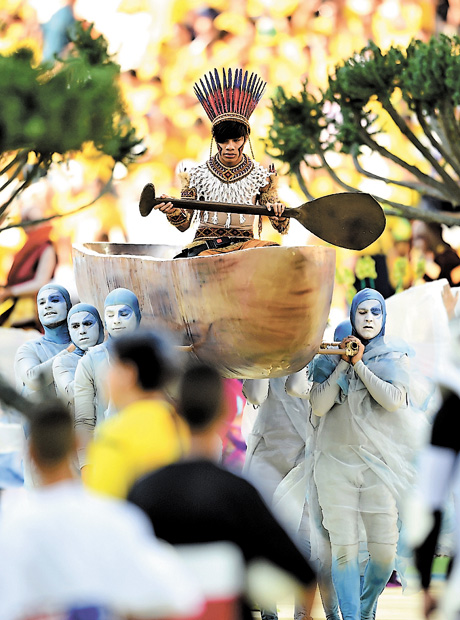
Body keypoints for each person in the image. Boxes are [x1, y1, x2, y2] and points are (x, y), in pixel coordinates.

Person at [128, 363, 317, 620]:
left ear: (174, 413)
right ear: (225, 412)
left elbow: (123, 579)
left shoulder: (144, 490)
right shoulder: (240, 493)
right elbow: (303, 574)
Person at [0, 400, 204, 620]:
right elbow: (181, 597)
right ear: (76, 444)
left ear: (29, 453)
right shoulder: (117, 519)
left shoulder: (10, 526)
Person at [309, 288, 424, 620]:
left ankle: (364, 607)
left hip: (377, 467)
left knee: (384, 554)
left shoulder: (393, 358)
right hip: (334, 464)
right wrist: (343, 365)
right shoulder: (329, 358)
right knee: (343, 551)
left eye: (376, 312)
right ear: (352, 317)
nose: (369, 318)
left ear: (384, 318)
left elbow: (392, 400)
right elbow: (318, 405)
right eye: (362, 312)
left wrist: (359, 365)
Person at [140, 68, 289, 257]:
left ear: (245, 139)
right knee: (207, 263)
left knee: (274, 253)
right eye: (224, 141)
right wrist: (173, 211)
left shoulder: (261, 177)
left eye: (236, 140)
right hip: (207, 247)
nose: (230, 147)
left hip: (246, 246)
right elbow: (184, 224)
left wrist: (278, 211)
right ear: (215, 140)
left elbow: (280, 226)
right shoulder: (196, 175)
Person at [243, 370, 315, 620]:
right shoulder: (264, 358)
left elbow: (302, 389)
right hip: (267, 454)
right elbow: (255, 394)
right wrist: (264, 361)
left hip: (304, 457)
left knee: (307, 536)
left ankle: (303, 613)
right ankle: (268, 612)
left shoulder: (317, 355)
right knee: (261, 534)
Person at [84, 330, 189, 499]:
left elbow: (104, 507)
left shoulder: (115, 435)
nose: (106, 377)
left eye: (112, 367)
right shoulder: (185, 427)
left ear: (128, 374)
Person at [73, 287, 141, 469]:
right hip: (109, 458)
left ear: (138, 316)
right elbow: (84, 421)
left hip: (149, 456)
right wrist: (87, 467)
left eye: (124, 313)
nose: (116, 320)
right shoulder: (91, 360)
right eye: (110, 315)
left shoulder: (153, 355)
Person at [14, 283, 73, 401]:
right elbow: (34, 379)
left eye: (55, 300)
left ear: (68, 306)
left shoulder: (86, 345)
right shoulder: (29, 348)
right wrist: (69, 351)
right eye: (41, 302)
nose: (47, 306)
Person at [53, 303, 104, 414]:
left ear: (100, 326)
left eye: (88, 324)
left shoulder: (112, 354)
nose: (82, 331)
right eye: (75, 326)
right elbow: (76, 395)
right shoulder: (62, 362)